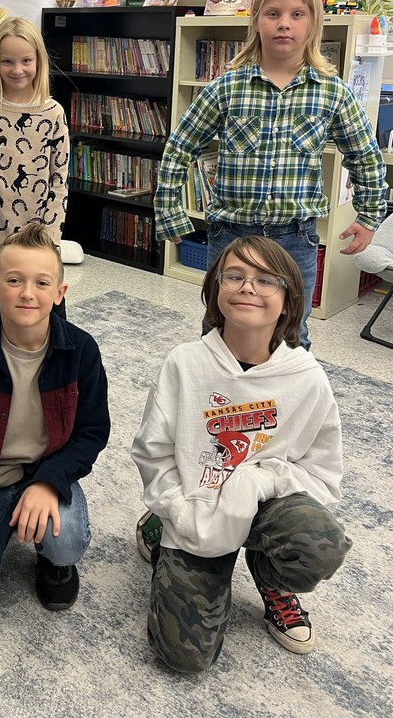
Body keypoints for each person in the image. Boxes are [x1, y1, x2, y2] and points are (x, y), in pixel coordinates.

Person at [131, 236, 351, 672]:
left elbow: (324, 477)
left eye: (266, 280)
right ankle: (158, 530)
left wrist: (260, 480)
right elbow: (152, 453)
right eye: (235, 276)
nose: (248, 287)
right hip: (196, 509)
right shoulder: (185, 363)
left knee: (322, 546)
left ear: (288, 303)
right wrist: (176, 509)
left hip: (266, 508)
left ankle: (269, 574)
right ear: (216, 291)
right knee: (185, 659)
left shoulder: (308, 380)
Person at [154, 0, 386, 350]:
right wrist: (170, 210)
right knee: (219, 327)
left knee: (292, 333)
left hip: (295, 238)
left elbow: (364, 156)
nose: (284, 25)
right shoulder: (227, 86)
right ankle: (216, 403)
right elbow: (180, 146)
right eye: (273, 13)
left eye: (297, 15)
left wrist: (369, 215)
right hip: (231, 235)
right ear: (256, 20)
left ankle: (284, 407)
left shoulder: (332, 92)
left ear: (313, 23)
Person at [0, 222, 110, 626]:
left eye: (42, 283)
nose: (28, 293)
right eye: (14, 280)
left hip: (45, 472)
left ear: (60, 293)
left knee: (65, 542)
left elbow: (92, 432)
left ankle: (53, 563)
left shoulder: (81, 352)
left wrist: (49, 481)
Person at [0, 16, 69, 266]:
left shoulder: (54, 113)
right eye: (7, 61)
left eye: (26, 61)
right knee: (8, 300)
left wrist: (52, 235)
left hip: (42, 236)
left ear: (38, 61)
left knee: (47, 301)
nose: (17, 69)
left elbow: (59, 180)